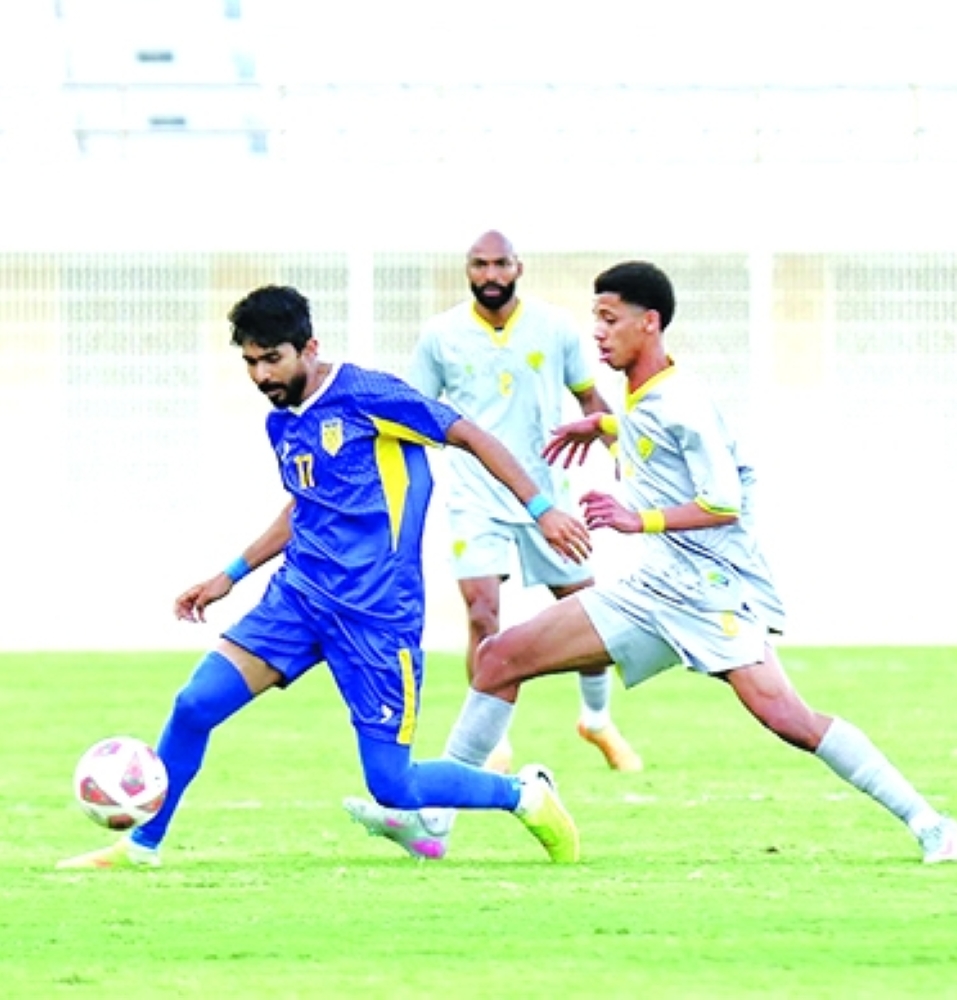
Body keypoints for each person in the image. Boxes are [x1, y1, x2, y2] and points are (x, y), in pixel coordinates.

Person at [345, 261, 957, 865]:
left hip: (711, 595)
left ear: (649, 323)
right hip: (651, 589)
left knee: (790, 720)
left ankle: (933, 824)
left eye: (610, 318)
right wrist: (608, 430)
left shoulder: (683, 400)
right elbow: (655, 443)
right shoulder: (644, 397)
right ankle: (434, 821)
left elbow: (724, 502)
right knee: (500, 657)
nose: (597, 331)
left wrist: (633, 518)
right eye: (594, 317)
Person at [57, 283, 586, 870]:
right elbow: (305, 505)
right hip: (298, 602)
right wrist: (230, 574)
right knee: (194, 706)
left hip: (375, 618)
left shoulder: (368, 395)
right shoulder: (281, 423)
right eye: (250, 362)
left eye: (271, 359)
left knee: (394, 785)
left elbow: (469, 434)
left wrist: (543, 510)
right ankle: (140, 847)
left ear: (309, 347)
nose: (260, 375)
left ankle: (525, 795)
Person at [406, 229, 642, 774]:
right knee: (483, 613)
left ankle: (596, 719)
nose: (490, 276)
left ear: (519, 267)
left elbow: (588, 398)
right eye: (479, 265)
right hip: (474, 495)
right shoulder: (441, 335)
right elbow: (415, 413)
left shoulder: (554, 327)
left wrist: (625, 457)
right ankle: (491, 743)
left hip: (548, 494)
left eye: (500, 264)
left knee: (586, 608)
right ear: (467, 270)